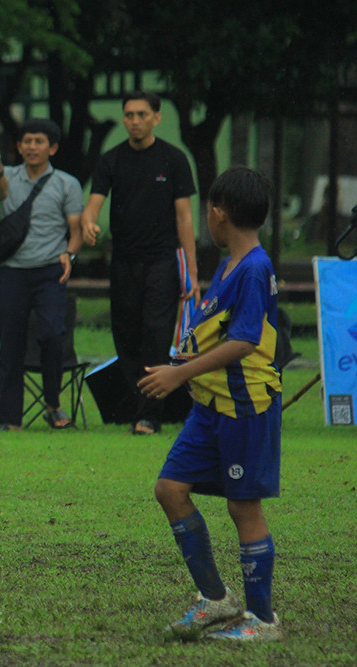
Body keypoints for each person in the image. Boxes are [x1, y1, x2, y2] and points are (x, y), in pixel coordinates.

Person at [140, 166, 282, 641]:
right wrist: (191, 357)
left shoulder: (256, 267)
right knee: (170, 489)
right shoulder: (228, 266)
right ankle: (216, 599)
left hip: (245, 407)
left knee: (244, 510)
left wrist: (180, 371)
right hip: (210, 408)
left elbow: (244, 342)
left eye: (208, 212)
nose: (206, 220)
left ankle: (262, 621)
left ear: (219, 214)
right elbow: (225, 332)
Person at [81, 91, 199, 435]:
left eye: (142, 115)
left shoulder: (173, 159)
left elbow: (185, 218)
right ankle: (138, 404)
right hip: (123, 262)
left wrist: (191, 270)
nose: (135, 121)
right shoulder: (112, 160)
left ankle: (149, 415)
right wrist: (89, 222)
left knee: (156, 334)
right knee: (126, 335)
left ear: (156, 118)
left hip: (163, 260)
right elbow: (94, 204)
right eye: (129, 115)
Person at [0, 119, 85, 430]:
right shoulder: (5, 176)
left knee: (52, 334)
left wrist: (69, 255)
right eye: (27, 141)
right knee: (11, 343)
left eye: (39, 141)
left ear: (53, 148)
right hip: (11, 271)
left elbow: (76, 230)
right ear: (18, 146)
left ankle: (53, 405)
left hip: (50, 270)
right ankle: (9, 419)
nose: (32, 147)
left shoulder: (66, 183)